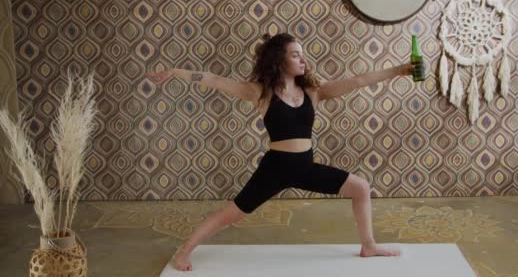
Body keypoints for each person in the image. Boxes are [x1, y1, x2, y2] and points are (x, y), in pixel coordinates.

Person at [145, 33, 416, 271]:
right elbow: (213, 79)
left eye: (302, 55)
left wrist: (400, 70)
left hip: (305, 167)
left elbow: (359, 80)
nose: (302, 60)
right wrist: (175, 72)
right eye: (295, 55)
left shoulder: (312, 92)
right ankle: (185, 250)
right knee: (232, 214)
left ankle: (368, 246)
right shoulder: (260, 92)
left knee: (361, 188)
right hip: (275, 169)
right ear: (279, 60)